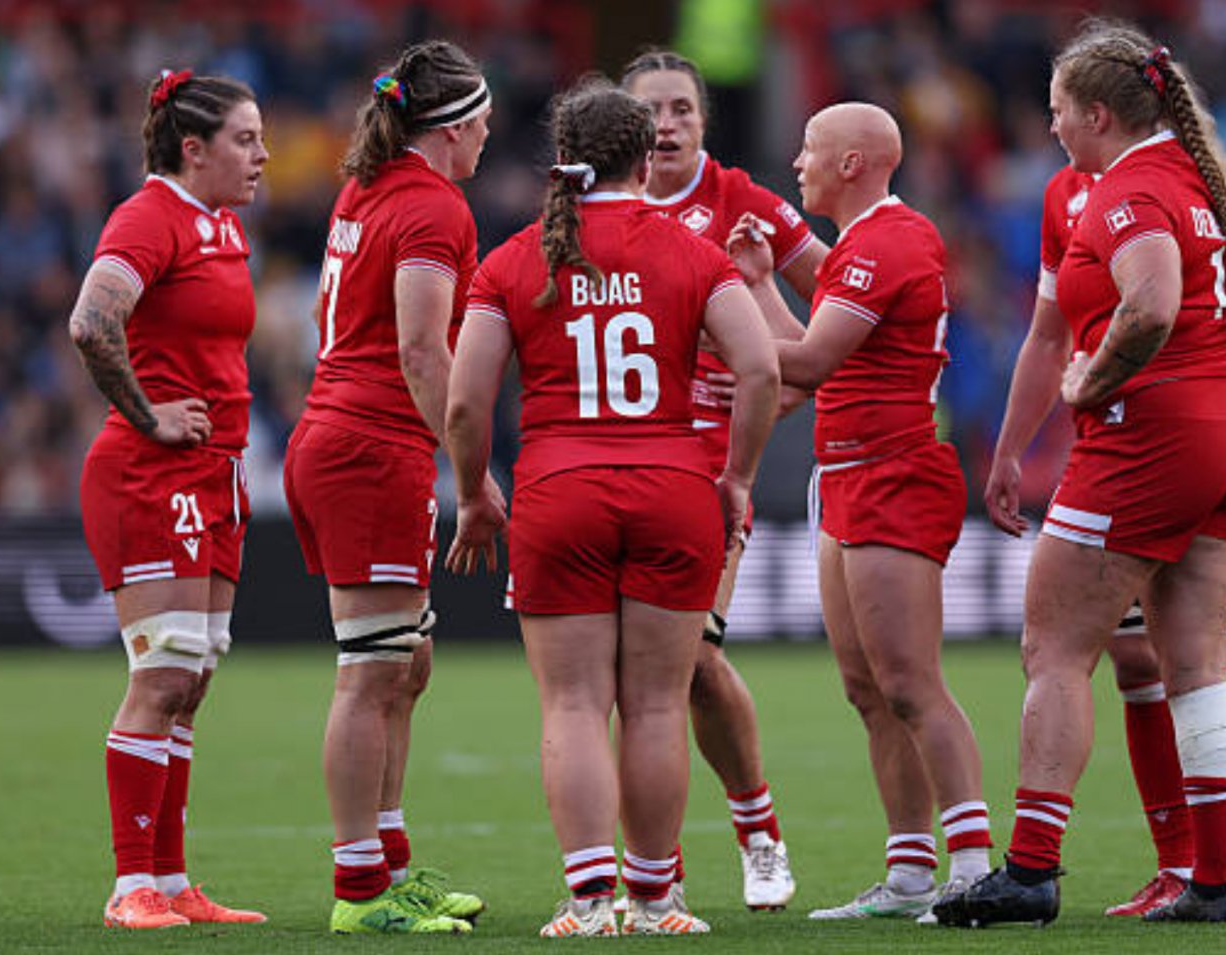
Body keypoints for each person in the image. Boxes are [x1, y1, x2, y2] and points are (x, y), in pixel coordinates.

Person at [933, 20, 1226, 927]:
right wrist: (1215, 384)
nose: (1049, 124)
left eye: (1058, 109)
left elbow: (1153, 304)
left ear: (1099, 112)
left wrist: (1095, 384)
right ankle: (1213, 881)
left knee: (1055, 647)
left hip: (1149, 441)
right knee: (1194, 661)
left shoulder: (1129, 190)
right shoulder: (1193, 177)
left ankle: (1031, 869)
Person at [444, 78, 780, 938]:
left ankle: (591, 900)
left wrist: (474, 493)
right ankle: (658, 899)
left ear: (563, 156)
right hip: (674, 487)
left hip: (559, 493)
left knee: (572, 705)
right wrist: (738, 477)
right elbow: (762, 369)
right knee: (659, 705)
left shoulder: (514, 259)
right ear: (642, 157)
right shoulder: (691, 252)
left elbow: (466, 403)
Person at [726, 102, 994, 923]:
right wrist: (759, 285)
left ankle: (974, 868)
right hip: (846, 476)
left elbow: (805, 360)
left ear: (851, 163)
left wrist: (705, 327)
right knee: (870, 689)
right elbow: (813, 366)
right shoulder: (859, 247)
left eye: (810, 149)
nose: (796, 163)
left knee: (911, 682)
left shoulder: (890, 242)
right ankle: (911, 871)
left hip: (892, 474)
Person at [281, 41, 492, 935]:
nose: (488, 138)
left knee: (406, 662)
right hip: (370, 448)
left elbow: (344, 320)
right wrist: (472, 474)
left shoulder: (367, 187)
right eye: (483, 123)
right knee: (371, 672)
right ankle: (361, 888)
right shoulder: (434, 207)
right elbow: (419, 348)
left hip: (341, 435)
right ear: (453, 129)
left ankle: (392, 867)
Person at [620, 48, 828, 911]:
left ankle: (756, 832)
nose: (666, 125)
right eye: (650, 112)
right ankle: (640, 869)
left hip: (709, 474)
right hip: (614, 465)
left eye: (682, 109)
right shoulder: (597, 207)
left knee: (692, 659)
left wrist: (763, 321)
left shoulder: (743, 202)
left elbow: (836, 319)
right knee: (624, 674)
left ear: (705, 122)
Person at [71, 69, 268, 930]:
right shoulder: (149, 217)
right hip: (152, 474)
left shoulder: (220, 224)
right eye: (245, 139)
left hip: (215, 472)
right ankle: (130, 887)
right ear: (193, 149)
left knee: (192, 677)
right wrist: (148, 415)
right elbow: (91, 322)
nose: (263, 155)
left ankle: (174, 879)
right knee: (163, 674)